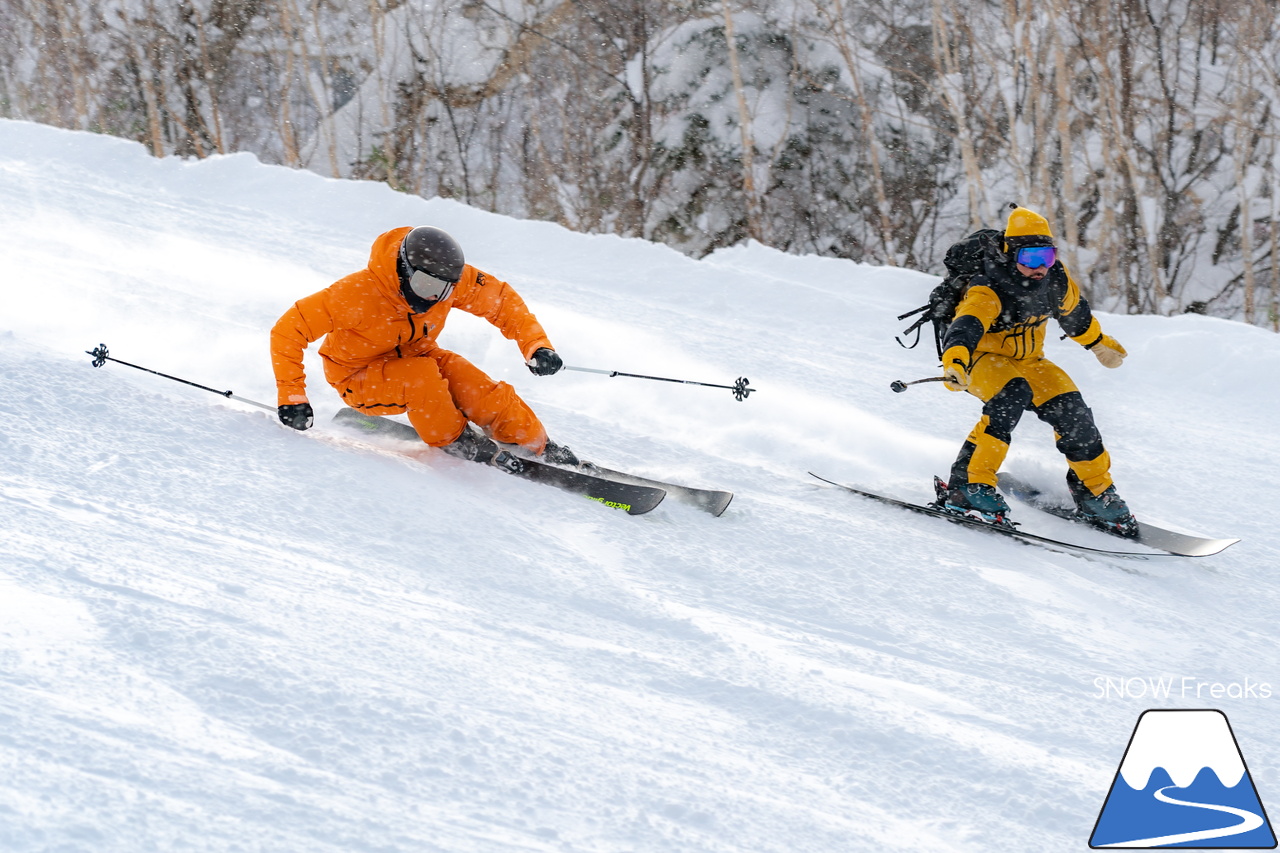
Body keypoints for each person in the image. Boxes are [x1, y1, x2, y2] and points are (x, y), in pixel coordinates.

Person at [270, 225, 578, 467]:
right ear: (404, 270)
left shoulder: (446, 280)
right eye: (426, 287)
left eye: (445, 290)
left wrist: (537, 346)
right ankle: (455, 440)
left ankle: (535, 446)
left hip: (419, 353)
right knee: (421, 378)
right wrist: (291, 396)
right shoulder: (356, 293)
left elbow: (502, 303)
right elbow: (288, 330)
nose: (434, 297)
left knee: (474, 385)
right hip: (358, 376)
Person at [937, 204, 1136, 535]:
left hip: (1030, 361)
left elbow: (1076, 317)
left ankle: (1094, 492)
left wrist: (1099, 344)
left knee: (1074, 412)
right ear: (1011, 254)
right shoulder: (989, 285)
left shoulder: (1055, 280)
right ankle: (968, 486)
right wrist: (955, 360)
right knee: (1009, 398)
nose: (1039, 267)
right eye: (1030, 258)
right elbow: (967, 325)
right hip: (982, 358)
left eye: (1046, 256)